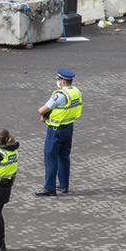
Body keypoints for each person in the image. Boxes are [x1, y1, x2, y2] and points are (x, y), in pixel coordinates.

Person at [35, 68, 82, 196]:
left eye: (58, 79)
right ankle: (64, 185)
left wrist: (43, 113)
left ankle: (49, 188)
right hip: (69, 128)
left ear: (62, 81)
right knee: (64, 157)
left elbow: (42, 110)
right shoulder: (76, 92)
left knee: (50, 158)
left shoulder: (59, 95)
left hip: (56, 130)